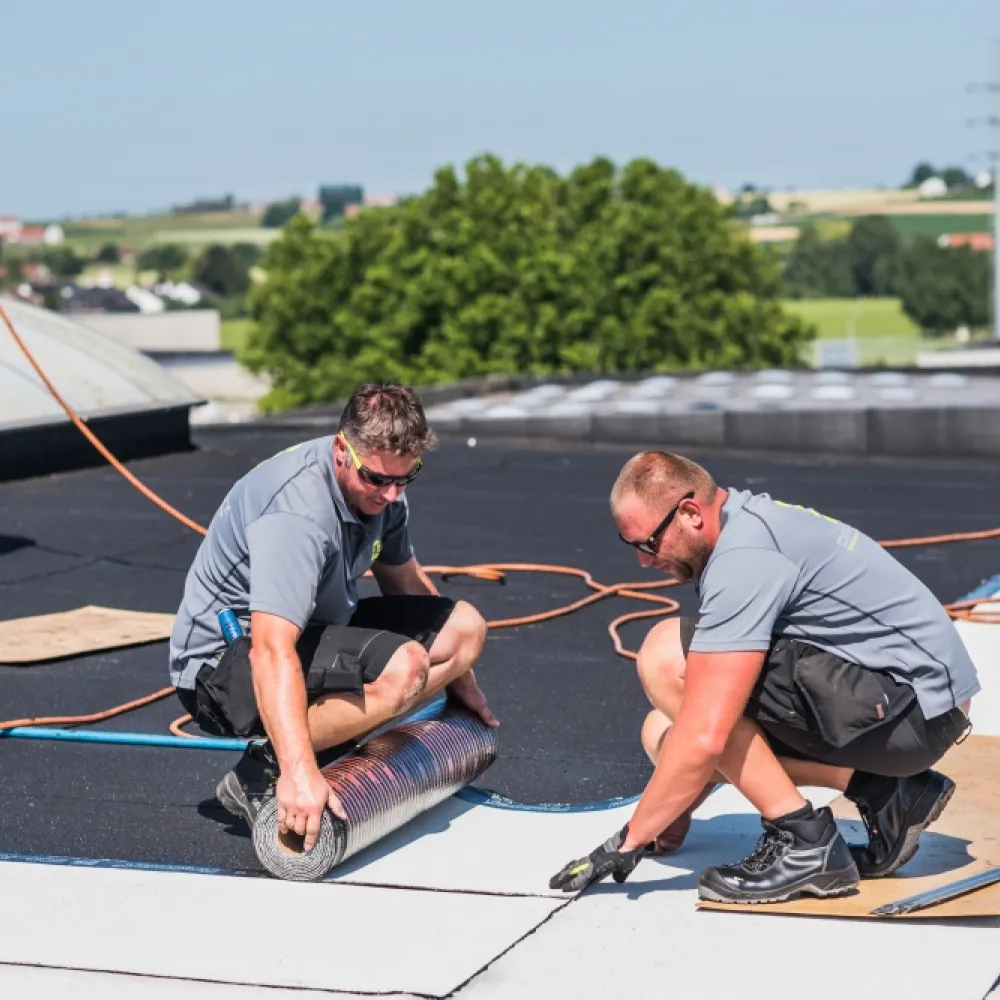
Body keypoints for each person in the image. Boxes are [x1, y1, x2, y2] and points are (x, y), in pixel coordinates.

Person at [550, 451, 978, 904]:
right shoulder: (744, 523)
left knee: (666, 658)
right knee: (662, 734)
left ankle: (805, 842)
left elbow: (709, 732)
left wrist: (628, 840)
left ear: (690, 513)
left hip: (916, 709)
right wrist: (679, 800)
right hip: (909, 702)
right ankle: (886, 789)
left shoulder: (745, 557)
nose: (643, 562)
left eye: (648, 544)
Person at [169, 382, 497, 853]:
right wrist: (299, 773)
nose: (390, 493)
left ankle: (303, 747)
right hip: (224, 663)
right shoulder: (296, 516)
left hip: (310, 628)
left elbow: (404, 581)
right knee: (402, 669)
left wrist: (461, 680)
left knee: (466, 628)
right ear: (342, 451)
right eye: (377, 480)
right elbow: (271, 649)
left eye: (405, 478)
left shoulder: (382, 486)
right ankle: (263, 771)